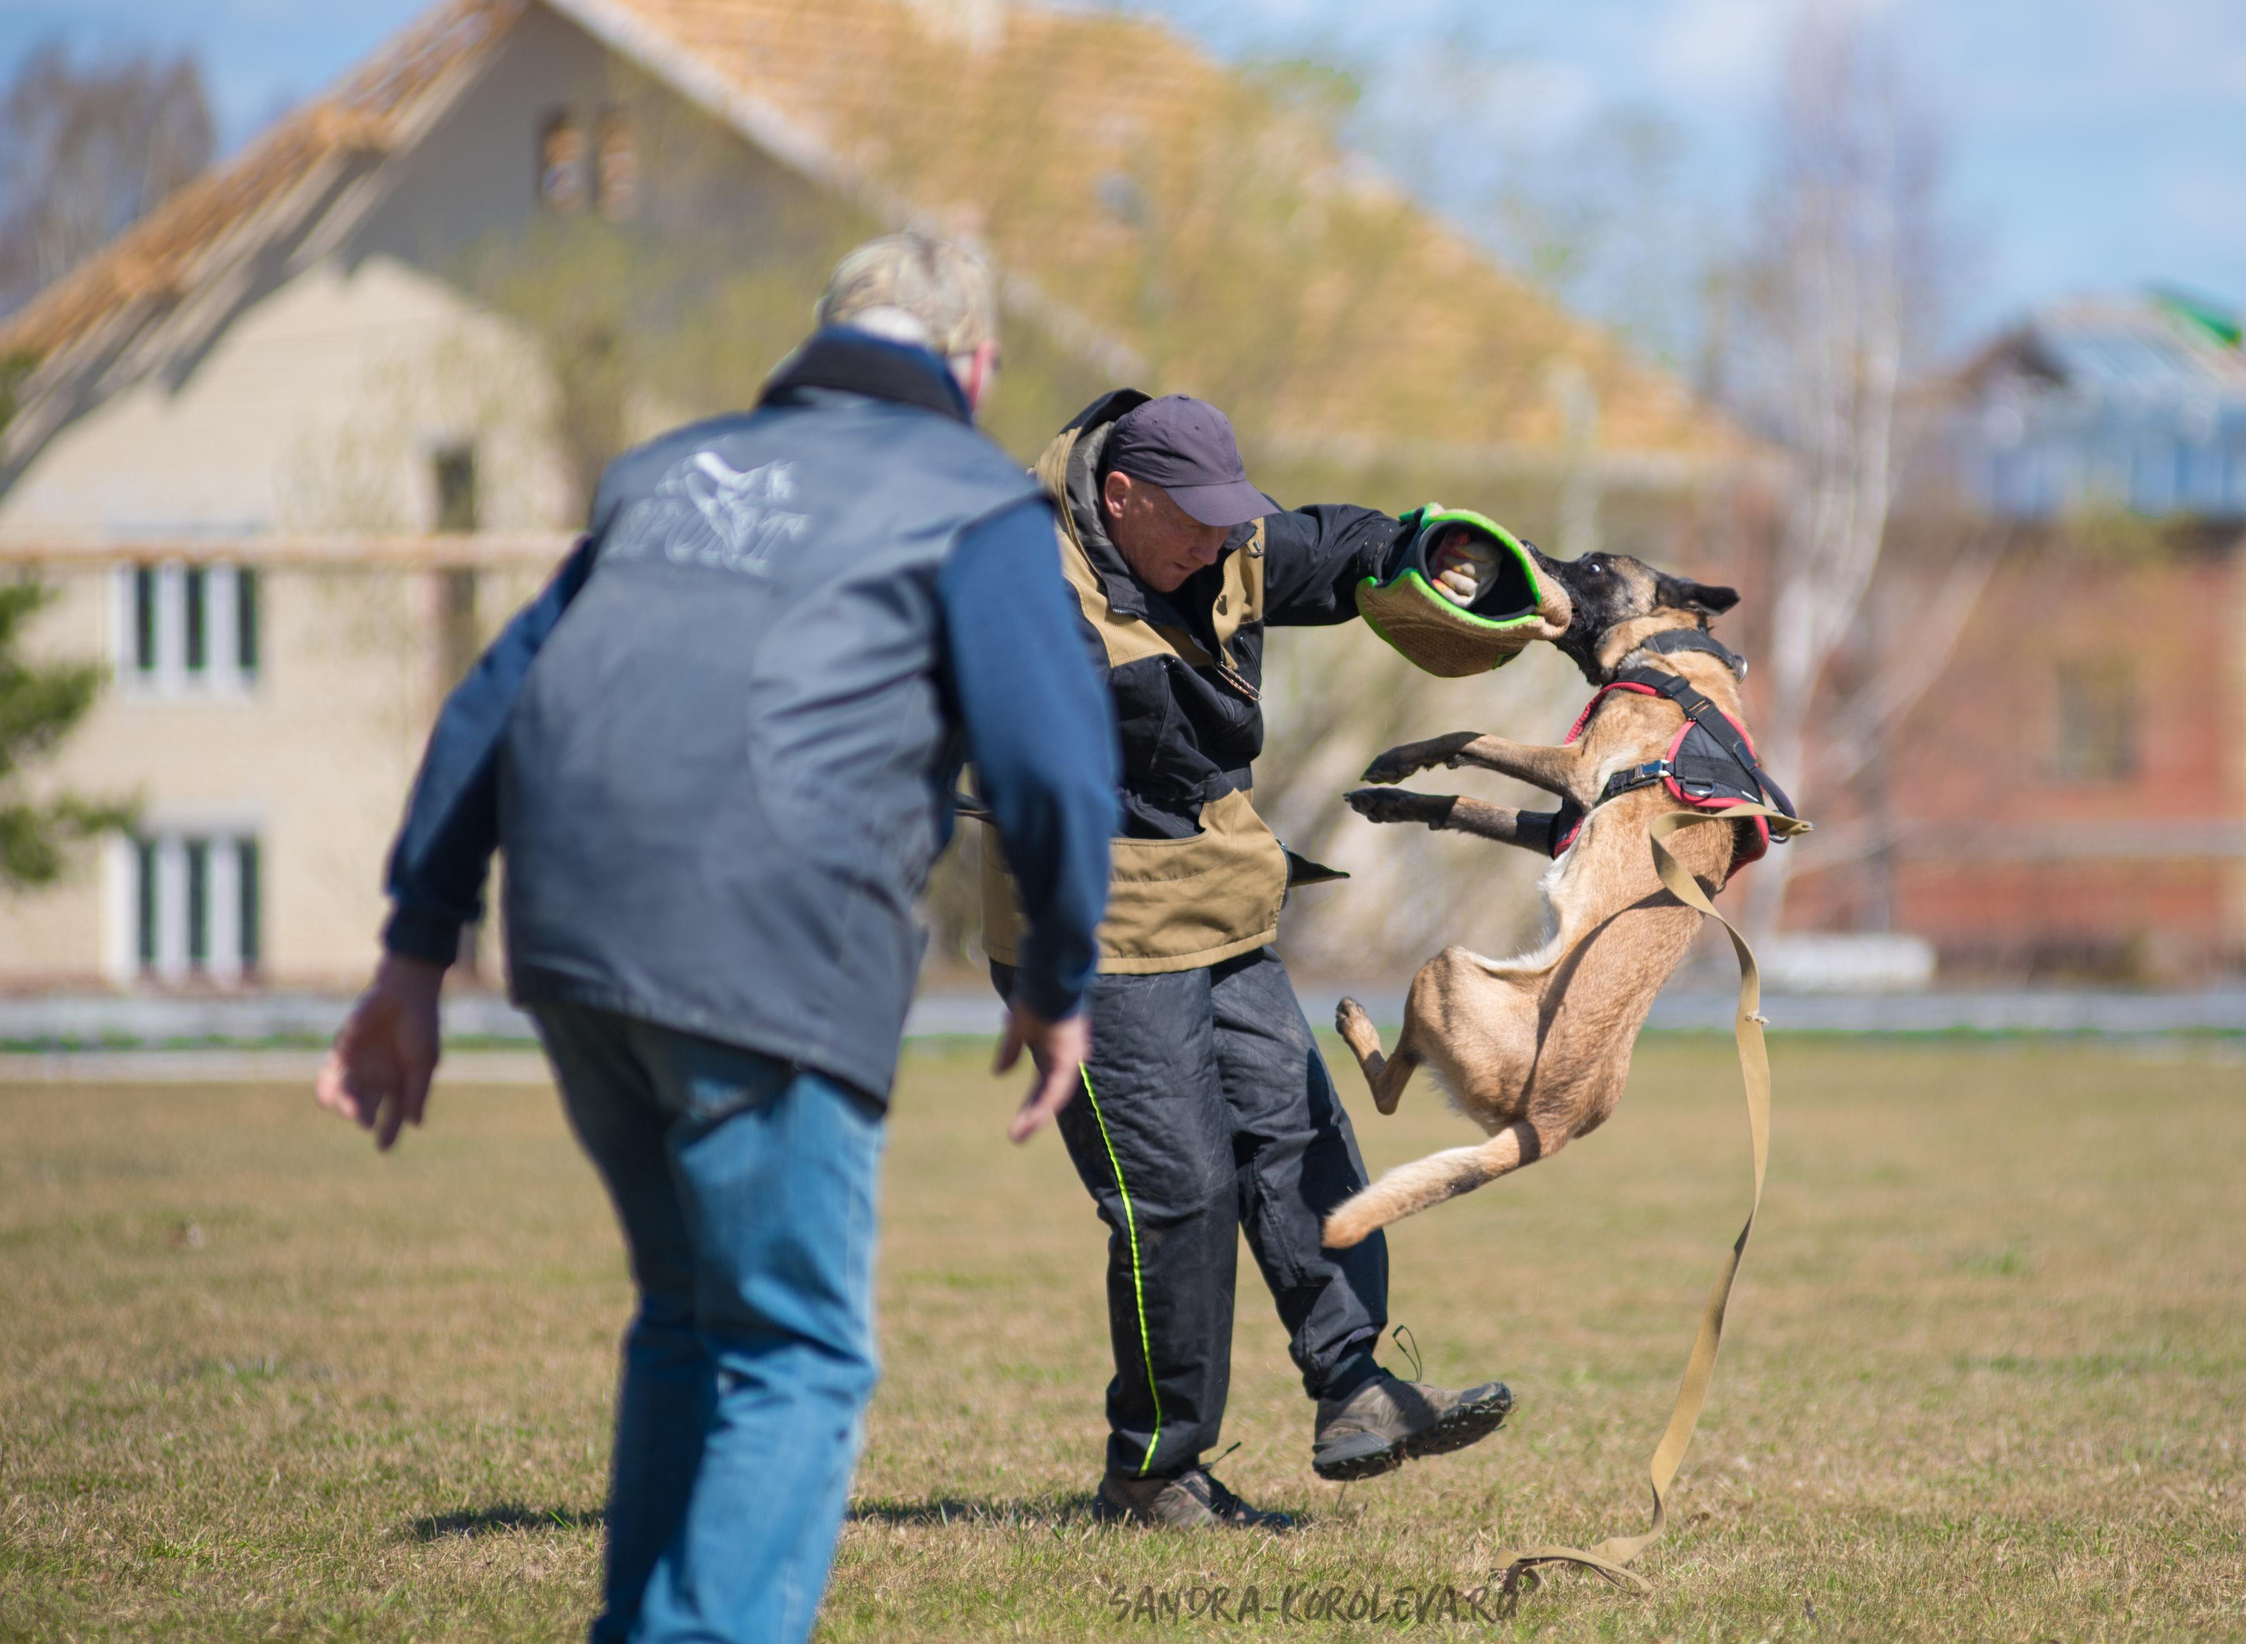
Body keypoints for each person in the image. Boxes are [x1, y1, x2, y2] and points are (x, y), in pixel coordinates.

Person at [314, 234, 1119, 1644]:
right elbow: (1053, 762)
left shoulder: (663, 472)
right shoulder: (973, 497)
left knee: (692, 1314)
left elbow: (491, 703)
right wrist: (1059, 981)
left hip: (567, 943)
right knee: (793, 1347)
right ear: (974, 365)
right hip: (768, 944)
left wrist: (414, 956)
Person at [979, 389, 1517, 1529]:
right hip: (1093, 930)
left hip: (1218, 902)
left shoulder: (1213, 527)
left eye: (1230, 520)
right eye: (1195, 523)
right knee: (1175, 1195)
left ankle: (1356, 1383)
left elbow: (1341, 549)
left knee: (1298, 1132)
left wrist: (1441, 553)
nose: (1219, 545)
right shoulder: (1024, 597)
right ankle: (1152, 1472)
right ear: (1119, 497)